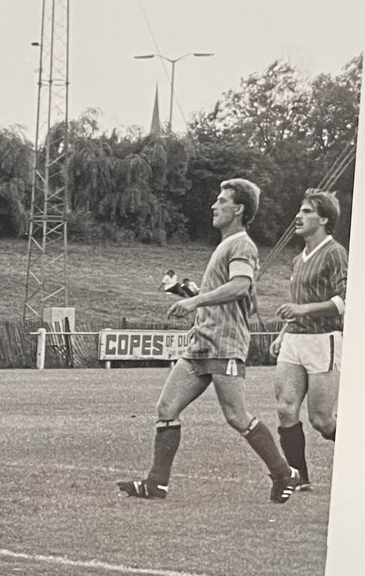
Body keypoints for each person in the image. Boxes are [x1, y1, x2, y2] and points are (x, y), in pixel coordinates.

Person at [118, 178, 300, 503]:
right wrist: (185, 292)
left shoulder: (241, 244)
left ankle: (284, 474)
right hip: (201, 344)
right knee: (166, 407)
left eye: (221, 200)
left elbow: (241, 286)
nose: (213, 206)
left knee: (236, 416)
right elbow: (228, 294)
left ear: (238, 209)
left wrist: (194, 302)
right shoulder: (225, 245)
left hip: (225, 345)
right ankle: (156, 484)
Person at [271, 189, 347, 491]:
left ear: (324, 218)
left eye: (306, 212)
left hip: (323, 339)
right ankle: (298, 477)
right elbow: (296, 302)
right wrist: (283, 333)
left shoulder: (335, 253)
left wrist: (303, 309)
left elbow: (345, 299)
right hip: (295, 340)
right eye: (299, 211)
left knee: (322, 420)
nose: (298, 217)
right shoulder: (297, 260)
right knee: (285, 408)